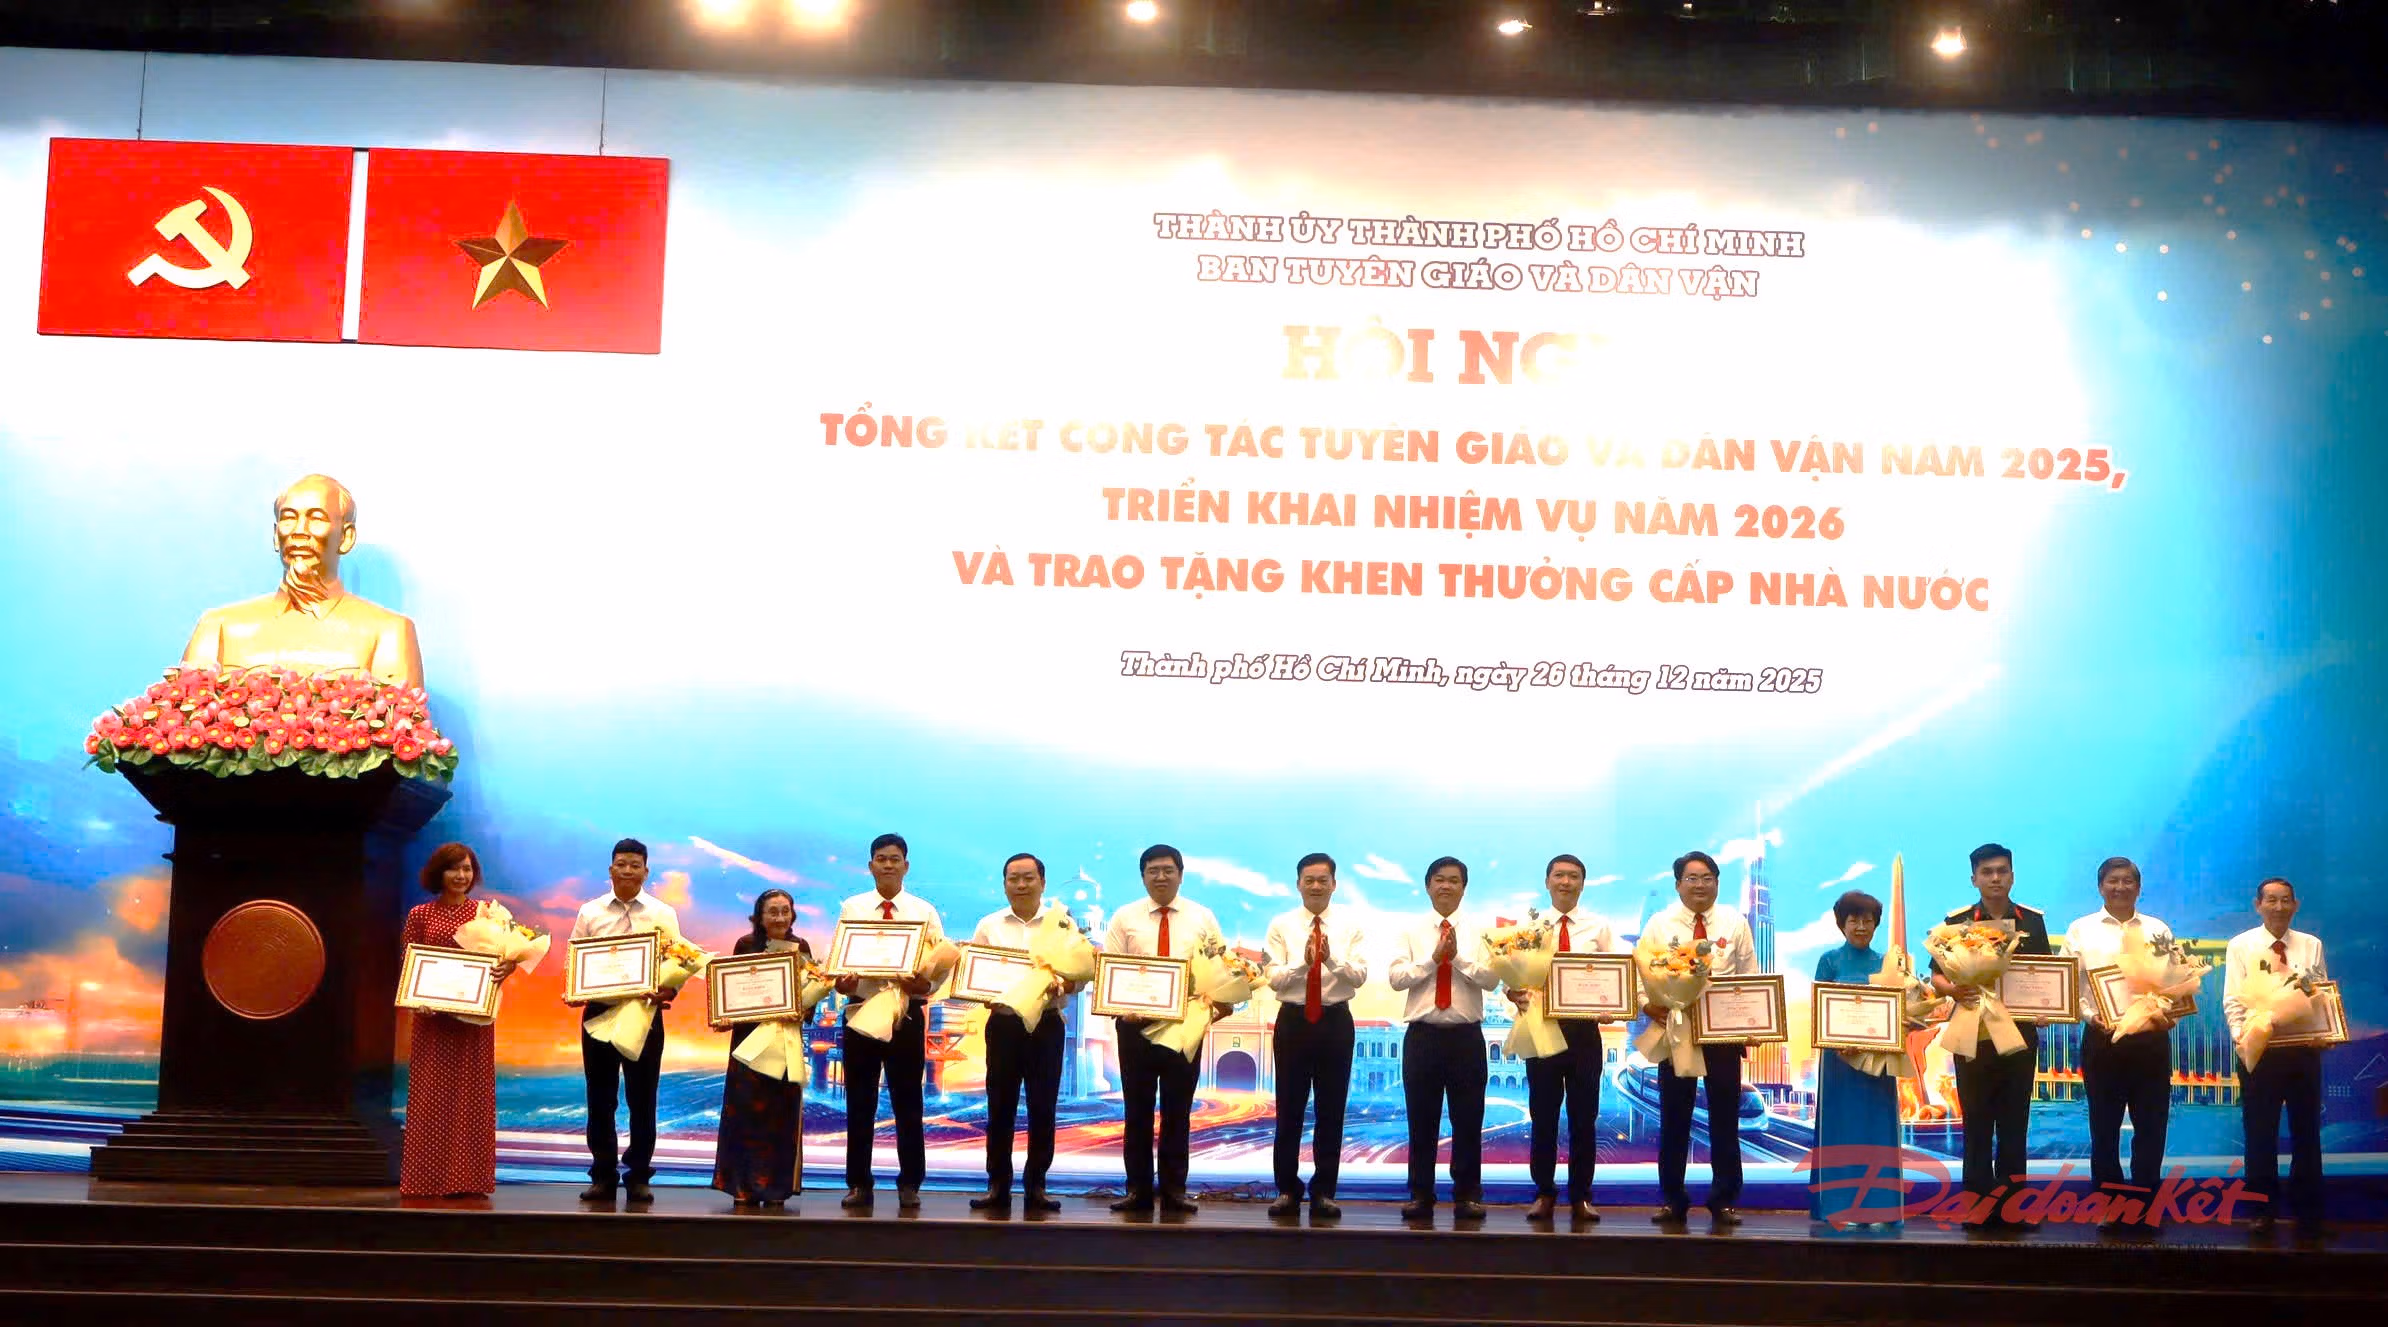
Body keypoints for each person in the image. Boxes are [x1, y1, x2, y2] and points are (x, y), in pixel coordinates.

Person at [180, 473, 425, 687]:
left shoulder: (389, 633)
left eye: (316, 518)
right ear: (276, 535)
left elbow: (399, 719)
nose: (299, 530)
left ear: (346, 537)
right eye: (288, 518)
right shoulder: (219, 628)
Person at [1105, 843, 1232, 1215]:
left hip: (1184, 1026)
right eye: (1152, 871)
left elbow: (1221, 967)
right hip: (1135, 1028)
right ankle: (1138, 1190)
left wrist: (1215, 1004)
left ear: (1180, 874)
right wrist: (1120, 1008)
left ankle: (1175, 1189)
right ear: (1143, 876)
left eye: (1167, 870)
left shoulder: (1202, 917)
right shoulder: (1124, 917)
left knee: (1178, 1111)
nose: (1160, 877)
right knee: (1137, 1111)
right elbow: (1110, 968)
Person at [1929, 842, 2051, 1227]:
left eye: (2001, 871)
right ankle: (1978, 1206)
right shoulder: (1957, 921)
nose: (1995, 878)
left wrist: (2048, 1008)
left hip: (2019, 1034)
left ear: (2012, 876)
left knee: (2015, 1124)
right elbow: (1936, 976)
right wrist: (1953, 990)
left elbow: (2046, 974)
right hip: (1972, 1033)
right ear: (1974, 879)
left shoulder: (2032, 921)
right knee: (1977, 1123)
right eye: (1987, 872)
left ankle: (2013, 1208)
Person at [1644, 850, 1759, 1228]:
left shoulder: (1735, 922)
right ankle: (1672, 1199)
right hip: (1675, 1032)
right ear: (1678, 884)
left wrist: (1755, 1022)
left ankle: (1724, 1200)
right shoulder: (1660, 924)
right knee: (1674, 1118)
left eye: (1708, 878)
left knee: (1725, 1119)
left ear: (1717, 883)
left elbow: (1749, 976)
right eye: (1692, 878)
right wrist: (1647, 1005)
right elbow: (1640, 973)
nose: (1700, 885)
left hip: (1722, 1036)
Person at [2061, 856, 2177, 1227]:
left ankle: (2146, 1203)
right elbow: (2067, 983)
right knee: (2104, 1127)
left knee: (2152, 1126)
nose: (2120, 887)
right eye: (2113, 880)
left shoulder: (2158, 929)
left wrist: (2170, 1008)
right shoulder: (2081, 929)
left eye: (2128, 880)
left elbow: (2174, 980)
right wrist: (2088, 1015)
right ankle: (2109, 1204)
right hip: (2103, 1037)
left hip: (2150, 1039)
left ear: (2138, 887)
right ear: (2101, 886)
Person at [833, 832, 946, 1211]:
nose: (887, 865)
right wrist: (842, 981)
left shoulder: (924, 912)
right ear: (870, 866)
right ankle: (858, 1184)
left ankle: (910, 1183)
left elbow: (938, 968)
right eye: (881, 859)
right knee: (859, 1102)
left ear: (906, 866)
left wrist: (923, 984)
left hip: (906, 1014)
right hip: (861, 1010)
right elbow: (840, 961)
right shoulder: (852, 907)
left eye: (894, 859)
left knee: (908, 1102)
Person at [398, 841, 514, 1198]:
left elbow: (505, 957)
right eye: (454, 868)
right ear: (439, 872)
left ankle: (468, 1181)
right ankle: (425, 1180)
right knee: (430, 1097)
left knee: (470, 1098)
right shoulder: (420, 914)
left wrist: (508, 966)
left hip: (473, 1022)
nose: (461, 875)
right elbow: (408, 964)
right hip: (432, 1022)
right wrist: (416, 1000)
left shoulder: (488, 915)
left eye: (467, 868)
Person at [569, 837, 680, 1206]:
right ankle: (602, 1175)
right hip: (599, 1011)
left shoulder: (663, 913)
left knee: (642, 1099)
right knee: (600, 1099)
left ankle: (638, 1176)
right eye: (621, 864)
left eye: (635, 865)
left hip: (645, 1014)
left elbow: (677, 960)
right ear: (610, 869)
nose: (628, 870)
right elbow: (574, 961)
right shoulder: (590, 912)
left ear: (646, 872)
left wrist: (669, 989)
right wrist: (575, 987)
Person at [1388, 856, 1499, 1223]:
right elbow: (1397, 979)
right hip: (1423, 1036)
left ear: (1464, 888)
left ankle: (1467, 1195)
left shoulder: (1481, 931)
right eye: (1439, 879)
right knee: (1421, 1121)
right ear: (1428, 886)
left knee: (1469, 1120)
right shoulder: (1410, 930)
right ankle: (1421, 1194)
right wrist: (1433, 960)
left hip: (1466, 1037)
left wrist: (1458, 959)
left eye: (1454, 880)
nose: (1446, 886)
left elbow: (1491, 979)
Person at [1511, 853, 1618, 1226]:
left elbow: (1620, 972)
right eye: (1559, 875)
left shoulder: (1598, 927)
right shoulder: (1529, 927)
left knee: (1584, 1118)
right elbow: (1513, 976)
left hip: (1584, 1032)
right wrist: (1512, 993)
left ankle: (1581, 1196)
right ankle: (1544, 1192)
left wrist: (1614, 1004)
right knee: (1542, 1116)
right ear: (1547, 882)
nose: (1566, 882)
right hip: (1541, 1028)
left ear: (1583, 884)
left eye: (1573, 876)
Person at [969, 852, 1078, 1213]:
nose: (1021, 884)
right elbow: (976, 972)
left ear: (1042, 883)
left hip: (1047, 1024)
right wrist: (980, 991)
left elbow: (1077, 978)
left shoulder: (1062, 924)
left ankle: (1037, 1187)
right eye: (1013, 878)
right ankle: (997, 1186)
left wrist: (1062, 984)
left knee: (1043, 1107)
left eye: (1028, 878)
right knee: (999, 1107)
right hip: (1004, 1024)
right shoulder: (989, 925)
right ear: (1004, 884)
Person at [1262, 852, 1366, 1222]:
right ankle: (1286, 1190)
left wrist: (1330, 959)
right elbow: (1273, 978)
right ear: (1298, 884)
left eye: (1323, 880)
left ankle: (1324, 1191)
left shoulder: (1350, 925)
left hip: (1335, 1021)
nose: (1316, 886)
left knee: (1331, 1110)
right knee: (1289, 1109)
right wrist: (1303, 963)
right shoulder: (1281, 925)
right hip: (1293, 1020)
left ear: (1334, 884)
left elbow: (1359, 976)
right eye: (1309, 880)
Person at [2224, 877, 2328, 1236]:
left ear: (2295, 905)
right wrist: (2242, 1037)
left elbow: (2319, 996)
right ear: (2258, 906)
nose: (2279, 907)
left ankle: (2308, 1214)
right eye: (2271, 900)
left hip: (2302, 1051)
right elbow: (2233, 998)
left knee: (2307, 1133)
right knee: (2259, 1133)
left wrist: (2325, 1031)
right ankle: (2261, 1211)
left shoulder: (2311, 945)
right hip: (2259, 1052)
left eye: (2285, 900)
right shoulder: (2240, 945)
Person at [711, 888, 811, 1208]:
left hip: (784, 1041)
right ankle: (743, 1186)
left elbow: (809, 995)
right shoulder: (745, 945)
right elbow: (733, 992)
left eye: (785, 911)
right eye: (773, 911)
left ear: (793, 915)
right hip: (749, 1043)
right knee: (745, 1112)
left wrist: (802, 1008)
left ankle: (776, 1189)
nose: (780, 917)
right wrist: (724, 1014)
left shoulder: (801, 947)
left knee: (781, 1114)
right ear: (759, 916)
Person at [1809, 889, 1902, 1232]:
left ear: (1876, 924)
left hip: (1877, 1064)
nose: (1861, 927)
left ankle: (1881, 1207)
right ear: (1841, 924)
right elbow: (1820, 1009)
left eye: (1868, 920)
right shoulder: (1829, 961)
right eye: (1854, 920)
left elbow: (1902, 1010)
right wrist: (1837, 1044)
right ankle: (1839, 1205)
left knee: (1877, 1129)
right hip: (1839, 1064)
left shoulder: (1888, 963)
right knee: (1840, 1129)